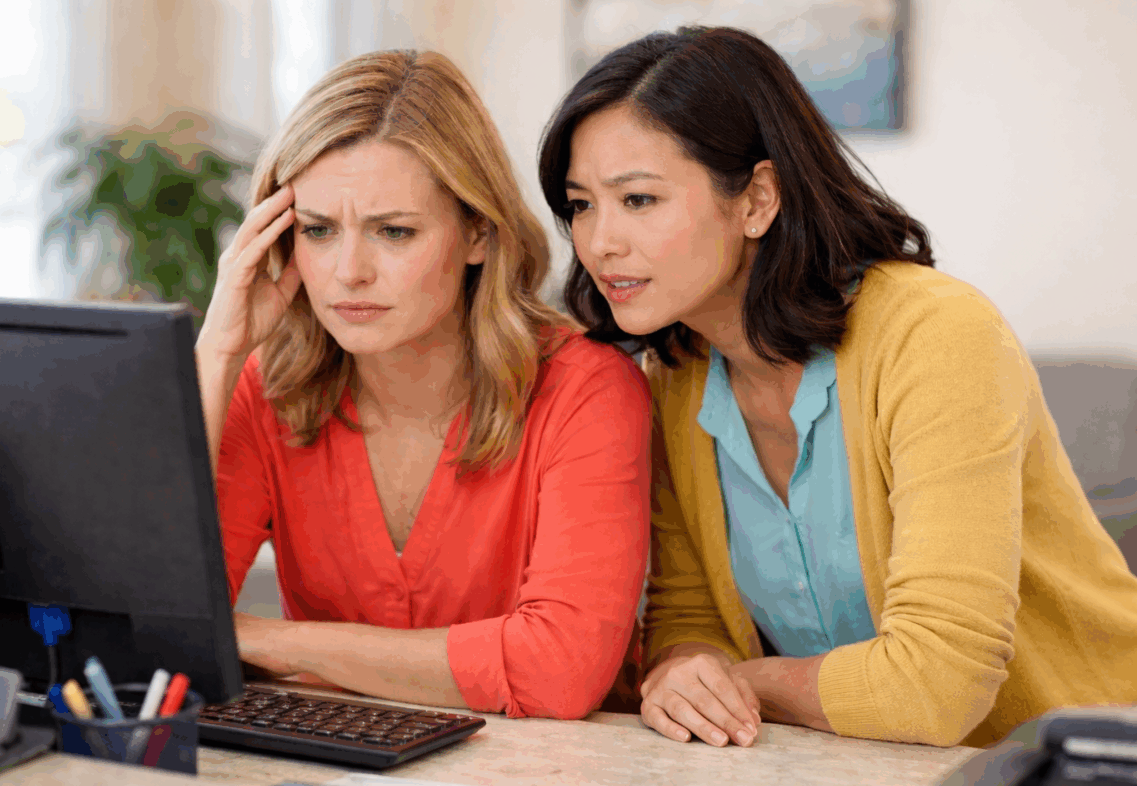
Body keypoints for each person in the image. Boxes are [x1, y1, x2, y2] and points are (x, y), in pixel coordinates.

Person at [537, 25, 1137, 747]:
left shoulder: (937, 336)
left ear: (758, 198)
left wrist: (746, 681)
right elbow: (687, 617)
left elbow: (938, 687)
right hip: (855, 779)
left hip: (1085, 774)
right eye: (580, 205)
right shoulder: (675, 373)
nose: (600, 242)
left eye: (637, 200)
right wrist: (687, 666)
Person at [194, 49, 650, 719]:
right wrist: (217, 352)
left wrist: (272, 642)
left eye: (393, 231)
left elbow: (559, 670)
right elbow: (149, 628)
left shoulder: (587, 392)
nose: (348, 270)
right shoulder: (266, 386)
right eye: (318, 230)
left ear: (478, 233)